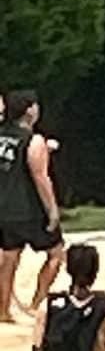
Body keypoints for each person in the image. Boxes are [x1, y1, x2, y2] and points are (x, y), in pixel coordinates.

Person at [0, 90, 64, 324]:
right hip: (28, 209)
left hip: (4, 207)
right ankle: (37, 303)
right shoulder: (32, 139)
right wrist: (52, 210)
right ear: (29, 110)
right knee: (56, 254)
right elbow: (40, 177)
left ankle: (3, 309)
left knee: (9, 259)